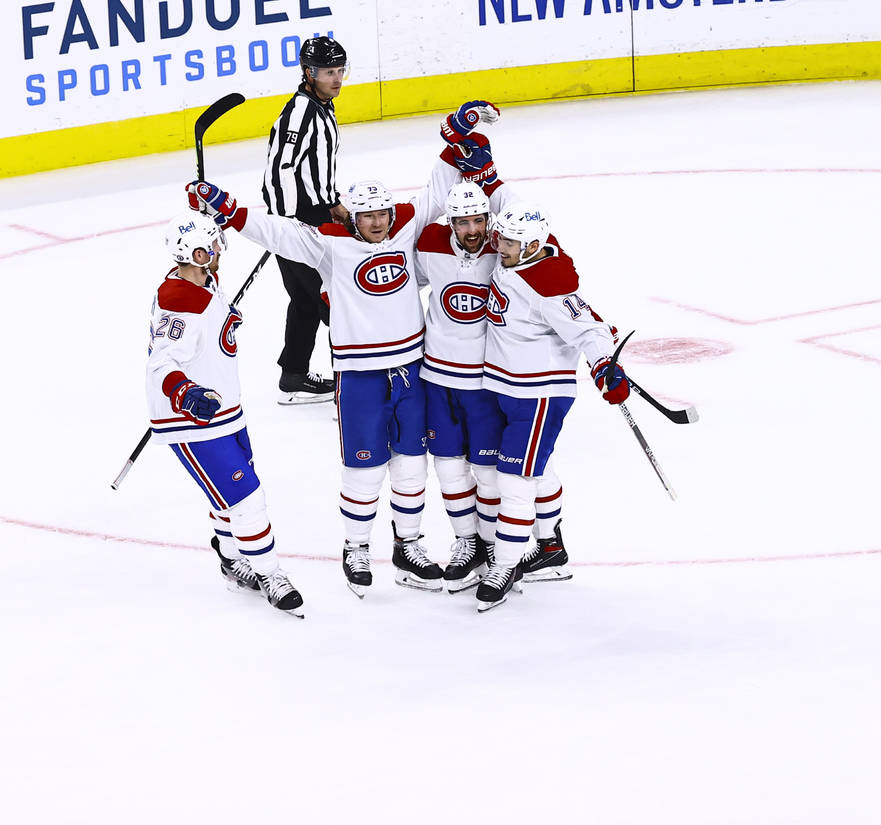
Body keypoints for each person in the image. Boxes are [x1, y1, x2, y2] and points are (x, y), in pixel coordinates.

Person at [185, 101, 498, 599]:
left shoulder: (404, 226)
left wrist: (456, 134)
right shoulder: (329, 244)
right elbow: (277, 231)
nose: (377, 222)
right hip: (359, 378)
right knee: (364, 468)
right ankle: (356, 548)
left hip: (411, 370)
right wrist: (227, 207)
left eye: (382, 213)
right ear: (352, 215)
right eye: (367, 215)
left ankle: (408, 546)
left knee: (411, 464)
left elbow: (437, 191)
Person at [414, 174, 574, 593]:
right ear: (449, 221)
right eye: (462, 222)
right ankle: (469, 543)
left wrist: (491, 178)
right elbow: (397, 274)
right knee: (449, 468)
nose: (472, 230)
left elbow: (545, 247)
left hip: (488, 382)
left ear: (490, 219)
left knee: (496, 473)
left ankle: (497, 549)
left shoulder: (505, 249)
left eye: (479, 220)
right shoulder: (430, 243)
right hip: (437, 376)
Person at [471, 201, 628, 612]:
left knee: (515, 480)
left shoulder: (548, 284)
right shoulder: (520, 256)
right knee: (538, 469)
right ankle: (551, 550)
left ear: (531, 246)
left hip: (537, 394)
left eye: (509, 242)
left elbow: (590, 328)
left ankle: (505, 565)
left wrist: (604, 365)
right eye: (501, 238)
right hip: (504, 385)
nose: (498, 246)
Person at [146, 212, 304, 617]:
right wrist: (184, 392)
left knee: (227, 497)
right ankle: (270, 574)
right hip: (193, 420)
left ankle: (233, 560)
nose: (220, 249)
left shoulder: (202, 281)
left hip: (226, 410)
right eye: (213, 245)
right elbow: (162, 362)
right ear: (198, 254)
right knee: (248, 499)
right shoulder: (180, 300)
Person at [262, 35, 348, 404]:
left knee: (305, 300)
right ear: (309, 73)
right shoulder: (300, 112)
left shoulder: (322, 105)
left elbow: (314, 169)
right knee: (334, 303)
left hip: (314, 216)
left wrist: (333, 203)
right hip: (298, 222)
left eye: (340, 70)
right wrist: (287, 224)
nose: (337, 78)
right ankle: (351, 386)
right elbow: (279, 169)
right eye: (329, 72)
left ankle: (294, 376)